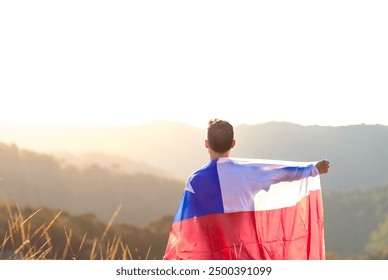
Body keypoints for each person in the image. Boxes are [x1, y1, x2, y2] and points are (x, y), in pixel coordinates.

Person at [163, 119, 330, 260]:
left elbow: (185, 227)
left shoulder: (195, 181)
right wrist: (313, 169)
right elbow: (282, 173)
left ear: (206, 144)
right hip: (247, 257)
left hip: (212, 259)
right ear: (233, 144)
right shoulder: (249, 173)